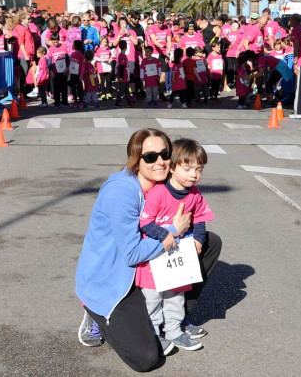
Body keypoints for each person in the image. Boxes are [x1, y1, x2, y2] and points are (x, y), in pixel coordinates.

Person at [75, 128, 222, 372]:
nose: (161, 162)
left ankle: (174, 317)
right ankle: (96, 313)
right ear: (136, 159)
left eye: (165, 154)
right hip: (115, 277)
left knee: (209, 242)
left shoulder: (165, 183)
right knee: (146, 358)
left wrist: (194, 236)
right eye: (150, 157)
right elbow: (131, 254)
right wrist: (173, 231)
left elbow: (195, 208)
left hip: (146, 267)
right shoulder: (121, 192)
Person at [137, 138, 214, 353]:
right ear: (171, 168)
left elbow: (200, 217)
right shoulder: (158, 193)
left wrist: (199, 238)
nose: (194, 175)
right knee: (152, 298)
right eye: (187, 168)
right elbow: (145, 222)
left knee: (175, 295)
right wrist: (165, 235)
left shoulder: (195, 194)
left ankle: (173, 330)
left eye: (199, 169)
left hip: (178, 256)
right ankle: (152, 332)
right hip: (155, 256)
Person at [47, 32, 69, 108]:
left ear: (59, 40)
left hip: (64, 71)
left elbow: (67, 58)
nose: (55, 43)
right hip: (55, 71)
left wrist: (67, 68)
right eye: (53, 42)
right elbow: (49, 61)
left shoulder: (64, 47)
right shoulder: (50, 49)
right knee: (56, 88)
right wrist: (51, 70)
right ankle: (57, 103)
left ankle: (64, 102)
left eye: (56, 42)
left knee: (64, 86)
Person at [94, 36, 113, 100]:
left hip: (107, 67)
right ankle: (103, 93)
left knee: (108, 80)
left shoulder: (108, 49)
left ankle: (108, 93)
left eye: (105, 42)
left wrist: (110, 59)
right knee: (102, 81)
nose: (104, 43)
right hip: (101, 67)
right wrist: (102, 60)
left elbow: (111, 56)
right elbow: (95, 58)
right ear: (100, 42)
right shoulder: (98, 49)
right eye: (103, 42)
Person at [115, 40, 132, 107]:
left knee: (126, 90)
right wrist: (121, 77)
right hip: (123, 76)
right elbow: (121, 67)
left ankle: (129, 102)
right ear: (126, 47)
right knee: (122, 90)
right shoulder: (122, 56)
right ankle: (117, 102)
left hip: (125, 76)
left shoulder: (123, 55)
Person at [69, 40, 85, 108]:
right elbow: (70, 63)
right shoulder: (72, 54)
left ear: (76, 46)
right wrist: (67, 69)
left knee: (79, 88)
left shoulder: (81, 55)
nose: (72, 45)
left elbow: (83, 66)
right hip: (72, 73)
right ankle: (75, 100)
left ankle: (80, 101)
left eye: (73, 44)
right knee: (73, 87)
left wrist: (81, 75)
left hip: (78, 74)